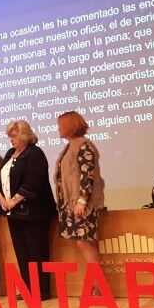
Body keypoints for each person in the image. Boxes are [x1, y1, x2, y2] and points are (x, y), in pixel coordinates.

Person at [0, 120, 56, 301]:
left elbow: (33, 182)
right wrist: (1, 199)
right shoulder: (9, 154)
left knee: (37, 252)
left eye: (14, 136)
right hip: (13, 213)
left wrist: (13, 201)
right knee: (22, 253)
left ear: (24, 135)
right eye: (10, 136)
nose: (11, 140)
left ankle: (42, 291)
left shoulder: (35, 153)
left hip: (34, 213)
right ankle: (28, 289)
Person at [54, 111, 105, 295]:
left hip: (81, 204)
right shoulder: (70, 146)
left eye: (61, 124)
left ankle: (99, 286)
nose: (58, 128)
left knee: (86, 243)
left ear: (70, 125)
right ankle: (96, 285)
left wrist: (82, 200)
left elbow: (87, 174)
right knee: (83, 243)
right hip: (71, 204)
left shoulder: (84, 146)